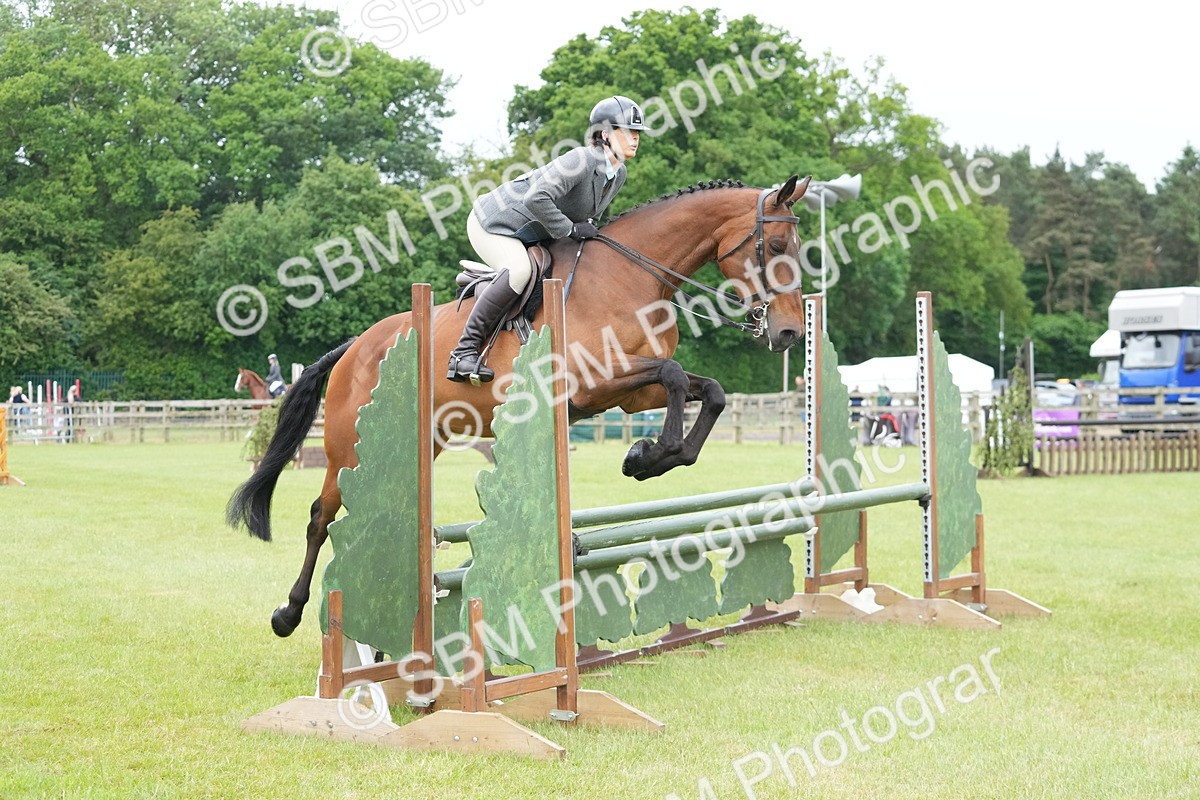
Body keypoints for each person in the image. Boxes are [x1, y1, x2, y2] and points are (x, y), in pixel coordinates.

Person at [446, 94, 647, 383]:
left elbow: (588, 216)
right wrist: (569, 230)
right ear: (604, 134)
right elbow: (536, 197)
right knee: (519, 271)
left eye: (637, 132)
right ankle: (462, 353)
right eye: (626, 131)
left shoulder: (618, 174)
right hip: (495, 223)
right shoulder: (580, 159)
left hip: (533, 231)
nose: (635, 138)